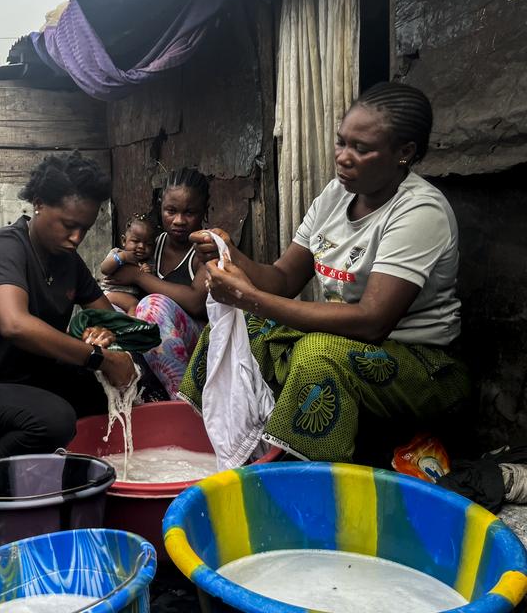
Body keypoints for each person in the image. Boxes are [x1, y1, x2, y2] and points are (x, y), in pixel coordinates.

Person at [182, 82, 470, 463]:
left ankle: (308, 482)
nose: (343, 158)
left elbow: (372, 322)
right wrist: (232, 255)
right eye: (341, 142)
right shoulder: (335, 196)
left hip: (422, 363)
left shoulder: (420, 212)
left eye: (361, 148)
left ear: (404, 153)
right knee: (242, 329)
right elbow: (283, 279)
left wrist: (249, 297)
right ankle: (218, 450)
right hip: (349, 341)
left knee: (316, 355)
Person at [0, 152, 135, 460]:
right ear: (39, 204)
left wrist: (103, 332)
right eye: (68, 224)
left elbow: (109, 317)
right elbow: (14, 324)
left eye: (86, 228)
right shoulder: (7, 248)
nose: (76, 237)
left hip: (27, 384)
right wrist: (99, 357)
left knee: (99, 398)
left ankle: (62, 476)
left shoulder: (69, 263)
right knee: (53, 420)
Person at [103, 168, 210, 398]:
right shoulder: (151, 243)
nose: (179, 220)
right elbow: (112, 273)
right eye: (171, 211)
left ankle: (183, 399)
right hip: (150, 342)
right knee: (103, 312)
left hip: (197, 344)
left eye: (190, 212)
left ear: (204, 210)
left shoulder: (206, 249)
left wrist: (139, 277)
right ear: (161, 207)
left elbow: (196, 302)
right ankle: (128, 393)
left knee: (152, 307)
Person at [100, 214, 156, 315]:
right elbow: (104, 269)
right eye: (135, 241)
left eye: (148, 244)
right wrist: (123, 257)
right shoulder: (117, 253)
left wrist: (148, 274)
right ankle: (131, 328)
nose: (142, 246)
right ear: (123, 241)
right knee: (134, 305)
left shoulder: (148, 262)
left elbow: (151, 287)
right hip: (110, 295)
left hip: (125, 303)